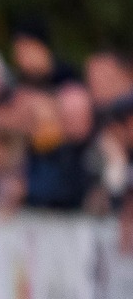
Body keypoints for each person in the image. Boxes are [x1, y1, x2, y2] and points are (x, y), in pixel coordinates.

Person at [24, 81, 101, 212]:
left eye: (78, 115)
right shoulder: (47, 150)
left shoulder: (101, 148)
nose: (73, 122)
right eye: (68, 116)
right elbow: (41, 190)